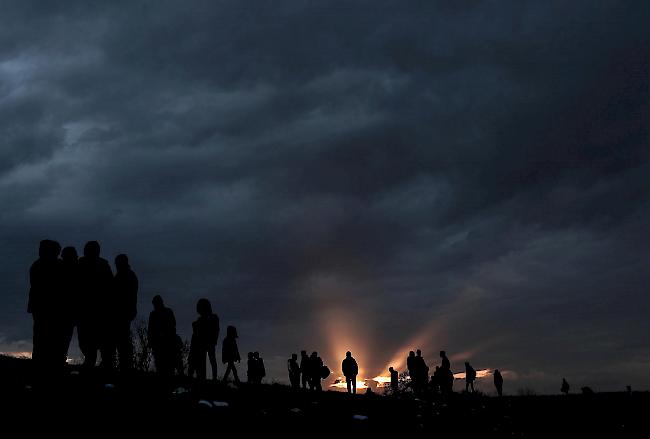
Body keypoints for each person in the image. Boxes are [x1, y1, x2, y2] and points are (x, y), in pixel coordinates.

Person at [77, 241, 113, 370]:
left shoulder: (103, 265)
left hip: (98, 309)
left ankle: (102, 362)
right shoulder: (81, 264)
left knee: (98, 337)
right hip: (86, 308)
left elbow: (109, 287)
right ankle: (91, 359)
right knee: (86, 338)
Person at [28, 239, 64, 370]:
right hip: (49, 307)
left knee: (41, 337)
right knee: (48, 337)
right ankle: (48, 365)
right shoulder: (55, 265)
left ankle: (41, 364)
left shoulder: (37, 265)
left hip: (41, 306)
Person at [111, 254, 138, 371]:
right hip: (124, 312)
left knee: (122, 340)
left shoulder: (125, 276)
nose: (116, 266)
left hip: (122, 312)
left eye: (117, 263)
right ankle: (125, 365)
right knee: (122, 340)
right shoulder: (126, 275)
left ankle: (125, 365)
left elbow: (122, 295)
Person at [188, 298, 219, 380]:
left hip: (209, 342)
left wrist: (214, 340)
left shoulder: (213, 317)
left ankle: (214, 378)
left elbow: (216, 329)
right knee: (205, 360)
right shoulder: (202, 319)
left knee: (211, 360)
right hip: (204, 343)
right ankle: (205, 377)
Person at [148, 295, 178, 376]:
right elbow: (150, 329)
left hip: (167, 343)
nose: (155, 306)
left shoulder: (167, 312)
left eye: (155, 303)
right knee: (160, 365)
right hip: (158, 343)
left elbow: (173, 325)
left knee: (167, 365)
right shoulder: (153, 314)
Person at [59, 246, 79, 365]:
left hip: (63, 309)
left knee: (62, 335)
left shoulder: (58, 268)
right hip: (69, 309)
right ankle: (60, 357)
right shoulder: (77, 269)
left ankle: (59, 357)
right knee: (65, 336)